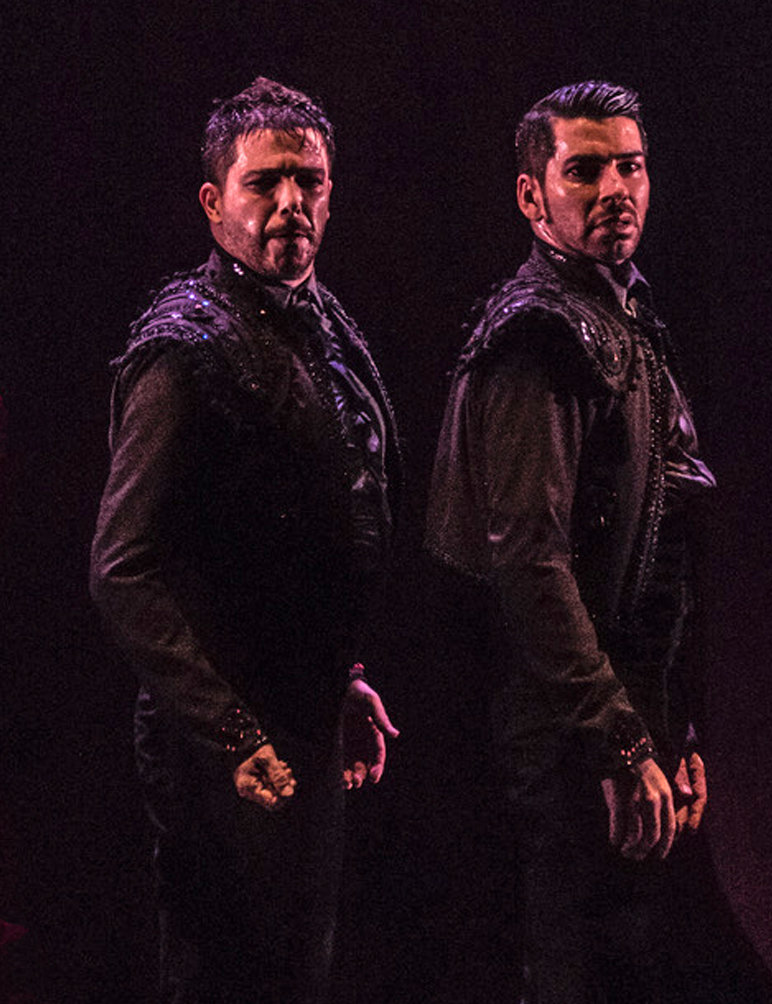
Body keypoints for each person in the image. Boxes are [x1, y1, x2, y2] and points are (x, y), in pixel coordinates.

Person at [427, 80, 772, 1003]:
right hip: (564, 726)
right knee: (577, 965)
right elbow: (529, 560)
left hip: (622, 710)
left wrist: (675, 728)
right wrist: (620, 742)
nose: (614, 190)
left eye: (629, 167)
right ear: (531, 195)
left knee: (631, 962)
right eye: (584, 171)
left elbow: (662, 554)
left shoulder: (622, 314)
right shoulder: (538, 333)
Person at [90, 77, 401, 1004]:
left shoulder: (322, 318)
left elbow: (314, 527)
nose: (290, 202)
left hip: (303, 719)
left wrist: (340, 676)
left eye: (309, 181)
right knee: (226, 978)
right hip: (218, 741)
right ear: (213, 201)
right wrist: (226, 729)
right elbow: (121, 568)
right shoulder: (183, 347)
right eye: (264, 182)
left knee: (295, 976)